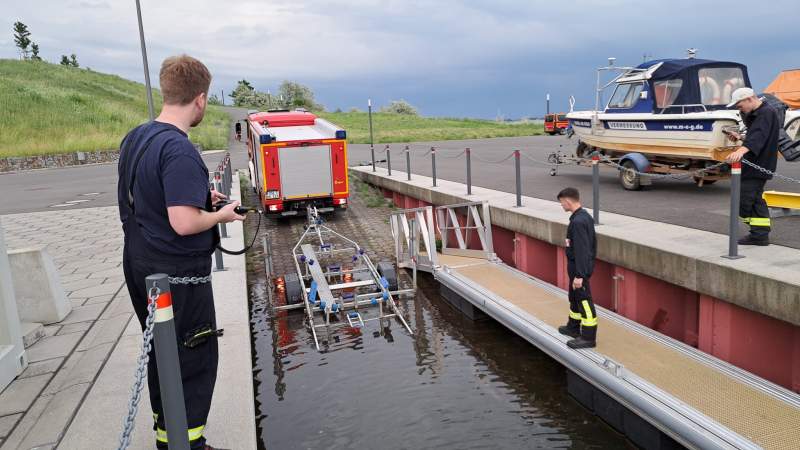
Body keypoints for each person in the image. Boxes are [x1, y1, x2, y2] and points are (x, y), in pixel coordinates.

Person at [117, 55, 243, 450]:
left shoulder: (138, 138)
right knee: (192, 357)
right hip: (176, 276)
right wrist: (220, 214)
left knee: (162, 356)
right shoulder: (180, 150)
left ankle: (167, 436)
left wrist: (200, 196)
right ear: (200, 99)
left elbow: (150, 195)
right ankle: (187, 443)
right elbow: (184, 223)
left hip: (141, 265)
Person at [725, 87, 780, 246]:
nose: (738, 108)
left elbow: (759, 136)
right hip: (756, 163)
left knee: (744, 199)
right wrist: (740, 138)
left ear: (749, 99)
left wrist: (741, 150)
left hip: (758, 165)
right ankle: (760, 235)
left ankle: (759, 233)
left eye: (739, 105)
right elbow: (757, 135)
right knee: (755, 200)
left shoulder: (766, 113)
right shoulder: (759, 114)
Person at [556, 187, 598, 349]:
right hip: (576, 268)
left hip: (579, 270)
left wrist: (580, 275)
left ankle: (588, 337)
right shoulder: (582, 217)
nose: (561, 206)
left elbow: (582, 250)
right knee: (574, 298)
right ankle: (573, 327)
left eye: (561, 203)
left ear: (567, 200)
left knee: (584, 301)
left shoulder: (579, 222)